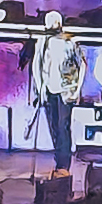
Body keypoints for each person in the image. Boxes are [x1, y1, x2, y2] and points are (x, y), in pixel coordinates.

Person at [30, 11, 86, 173]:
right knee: (54, 126)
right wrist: (40, 89)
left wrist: (77, 90)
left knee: (63, 126)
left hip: (66, 91)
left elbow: (82, 65)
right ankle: (59, 161)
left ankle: (63, 164)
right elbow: (37, 66)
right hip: (49, 90)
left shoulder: (70, 42)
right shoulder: (42, 42)